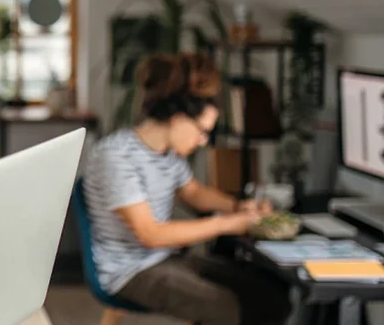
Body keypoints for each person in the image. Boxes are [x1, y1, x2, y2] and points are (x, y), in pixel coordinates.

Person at [83, 53, 292, 325]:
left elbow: (194, 193)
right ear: (179, 118)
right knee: (233, 308)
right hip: (129, 272)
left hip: (164, 259)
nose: (204, 141)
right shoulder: (116, 156)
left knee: (271, 295)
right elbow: (151, 234)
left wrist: (239, 207)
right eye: (202, 131)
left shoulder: (169, 155)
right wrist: (228, 224)